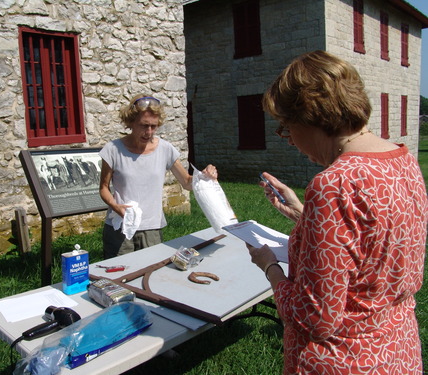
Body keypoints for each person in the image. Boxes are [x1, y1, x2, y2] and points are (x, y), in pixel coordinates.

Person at [247, 51, 428, 374]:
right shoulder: (403, 160)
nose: (290, 141)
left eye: (286, 127)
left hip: (344, 361)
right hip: (398, 350)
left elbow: (314, 317)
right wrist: (304, 214)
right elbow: (373, 244)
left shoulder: (334, 184)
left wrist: (270, 266)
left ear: (310, 117)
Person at [99, 94, 217, 259]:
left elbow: (187, 182)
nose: (149, 132)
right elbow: (103, 188)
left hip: (151, 228)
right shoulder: (112, 149)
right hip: (120, 227)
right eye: (144, 125)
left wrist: (205, 176)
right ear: (131, 122)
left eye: (153, 127)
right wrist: (115, 206)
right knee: (120, 277)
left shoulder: (165, 149)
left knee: (150, 272)